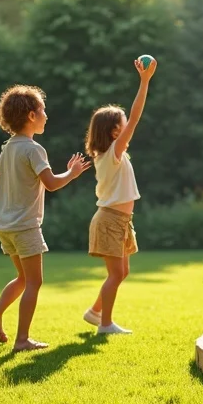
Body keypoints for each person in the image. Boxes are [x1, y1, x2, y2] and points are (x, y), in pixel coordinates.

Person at [0, 85, 89, 352]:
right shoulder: (34, 149)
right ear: (31, 116)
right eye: (43, 110)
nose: (46, 115)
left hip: (4, 226)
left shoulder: (8, 148)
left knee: (22, 278)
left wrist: (16, 180)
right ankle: (22, 340)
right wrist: (72, 174)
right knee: (34, 282)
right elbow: (51, 183)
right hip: (25, 226)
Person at [82, 58, 155, 336]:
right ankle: (105, 325)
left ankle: (95, 312)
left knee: (121, 273)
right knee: (115, 275)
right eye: (122, 126)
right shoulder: (112, 153)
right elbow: (136, 117)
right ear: (114, 131)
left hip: (121, 219)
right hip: (110, 219)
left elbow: (132, 120)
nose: (127, 128)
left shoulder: (111, 154)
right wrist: (144, 81)